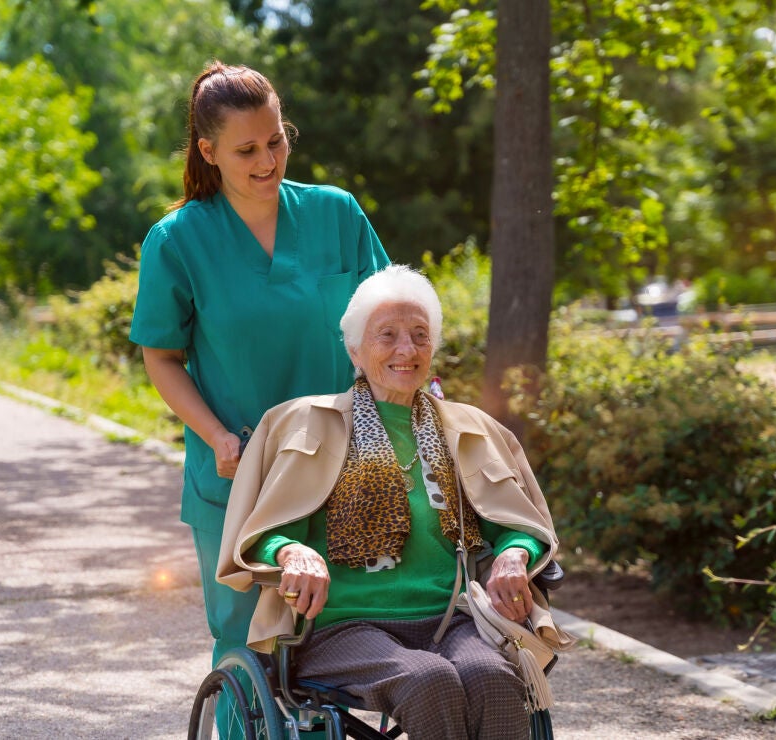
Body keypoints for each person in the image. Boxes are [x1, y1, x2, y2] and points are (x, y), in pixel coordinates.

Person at [217, 265, 566, 740]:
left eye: (420, 335)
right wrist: (290, 551)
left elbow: (516, 519)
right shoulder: (304, 423)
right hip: (342, 626)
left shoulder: (470, 428)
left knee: (495, 680)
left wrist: (514, 552)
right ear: (356, 350)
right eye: (388, 335)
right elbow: (260, 534)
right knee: (430, 680)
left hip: (452, 617)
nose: (407, 349)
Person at [129, 60, 389, 670]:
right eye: (246, 149)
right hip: (238, 473)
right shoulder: (176, 241)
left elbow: (388, 326)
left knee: (345, 649)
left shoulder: (338, 214)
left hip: (343, 465)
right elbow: (161, 357)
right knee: (251, 650)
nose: (268, 160)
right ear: (208, 151)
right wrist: (215, 434)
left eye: (277, 140)